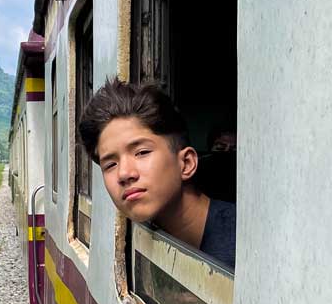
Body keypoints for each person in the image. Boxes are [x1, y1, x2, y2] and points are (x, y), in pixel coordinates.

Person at [77, 78, 235, 270]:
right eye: (110, 164)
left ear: (186, 163)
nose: (124, 173)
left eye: (142, 152)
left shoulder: (242, 244)